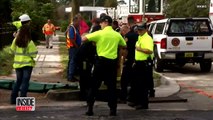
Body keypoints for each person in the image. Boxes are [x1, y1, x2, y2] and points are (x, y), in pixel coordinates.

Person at [82, 15, 127, 116]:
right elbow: (124, 44)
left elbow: (84, 39)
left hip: (100, 63)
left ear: (105, 23)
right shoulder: (116, 35)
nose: (100, 25)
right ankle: (113, 109)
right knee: (111, 87)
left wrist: (94, 40)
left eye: (101, 23)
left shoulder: (99, 33)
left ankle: (90, 108)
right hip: (112, 64)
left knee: (94, 86)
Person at [10, 14, 38, 104]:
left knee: (18, 81)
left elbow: (11, 50)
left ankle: (13, 99)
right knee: (25, 83)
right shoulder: (29, 42)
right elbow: (34, 54)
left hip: (17, 65)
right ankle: (22, 101)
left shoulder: (15, 40)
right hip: (27, 65)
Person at [128, 22, 154, 110]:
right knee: (136, 84)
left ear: (146, 29)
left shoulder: (147, 38)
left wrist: (140, 49)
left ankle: (143, 104)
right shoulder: (140, 37)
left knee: (143, 85)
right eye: (138, 30)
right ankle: (137, 101)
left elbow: (149, 50)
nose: (139, 31)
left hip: (144, 64)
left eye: (141, 30)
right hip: (138, 63)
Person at [120, 16, 138, 102]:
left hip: (128, 60)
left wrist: (123, 60)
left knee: (124, 80)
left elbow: (125, 49)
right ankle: (133, 97)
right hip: (136, 59)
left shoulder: (127, 36)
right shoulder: (138, 36)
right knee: (134, 80)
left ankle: (123, 97)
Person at [66, 16, 81, 82]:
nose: (79, 23)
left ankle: (71, 75)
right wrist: (76, 46)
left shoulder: (75, 28)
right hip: (73, 48)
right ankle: (70, 76)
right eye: (78, 21)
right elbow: (71, 38)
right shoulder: (72, 28)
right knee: (73, 61)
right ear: (75, 21)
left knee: (72, 61)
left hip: (74, 47)